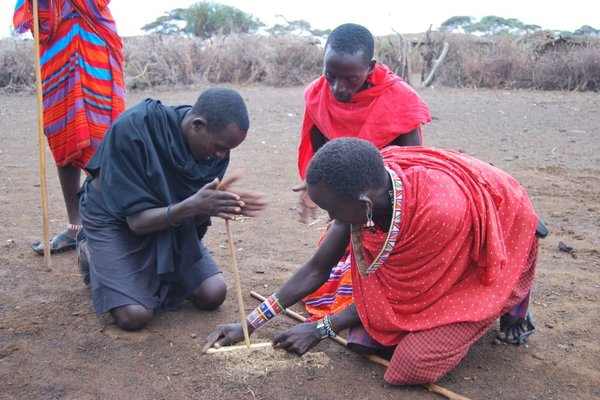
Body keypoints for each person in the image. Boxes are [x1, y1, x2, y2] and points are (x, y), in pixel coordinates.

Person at [204, 138, 540, 385]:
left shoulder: (435, 215)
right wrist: (246, 325)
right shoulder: (367, 196)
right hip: (434, 249)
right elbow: (317, 267)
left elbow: (411, 297)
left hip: (498, 240)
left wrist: (320, 328)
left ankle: (507, 304)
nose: (330, 218)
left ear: (365, 202)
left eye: (333, 210)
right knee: (364, 341)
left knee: (408, 368)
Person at [78, 88, 266, 331]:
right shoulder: (134, 129)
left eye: (227, 149)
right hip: (116, 218)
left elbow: (193, 219)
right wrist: (195, 204)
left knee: (213, 294)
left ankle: (130, 273)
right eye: (219, 147)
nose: (221, 155)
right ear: (198, 125)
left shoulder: (215, 153)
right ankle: (90, 251)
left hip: (171, 220)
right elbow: (136, 222)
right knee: (134, 316)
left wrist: (214, 206)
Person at [293, 23, 432, 320]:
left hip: (386, 207)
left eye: (350, 79)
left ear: (370, 68)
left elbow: (414, 168)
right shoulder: (318, 95)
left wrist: (368, 206)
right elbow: (321, 156)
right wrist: (313, 187)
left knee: (369, 296)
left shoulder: (400, 100)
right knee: (322, 283)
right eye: (330, 76)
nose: (338, 88)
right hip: (349, 206)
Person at [13, 0, 125, 255]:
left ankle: (108, 228)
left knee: (103, 135)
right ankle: (76, 226)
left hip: (94, 38)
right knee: (61, 129)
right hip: (56, 44)